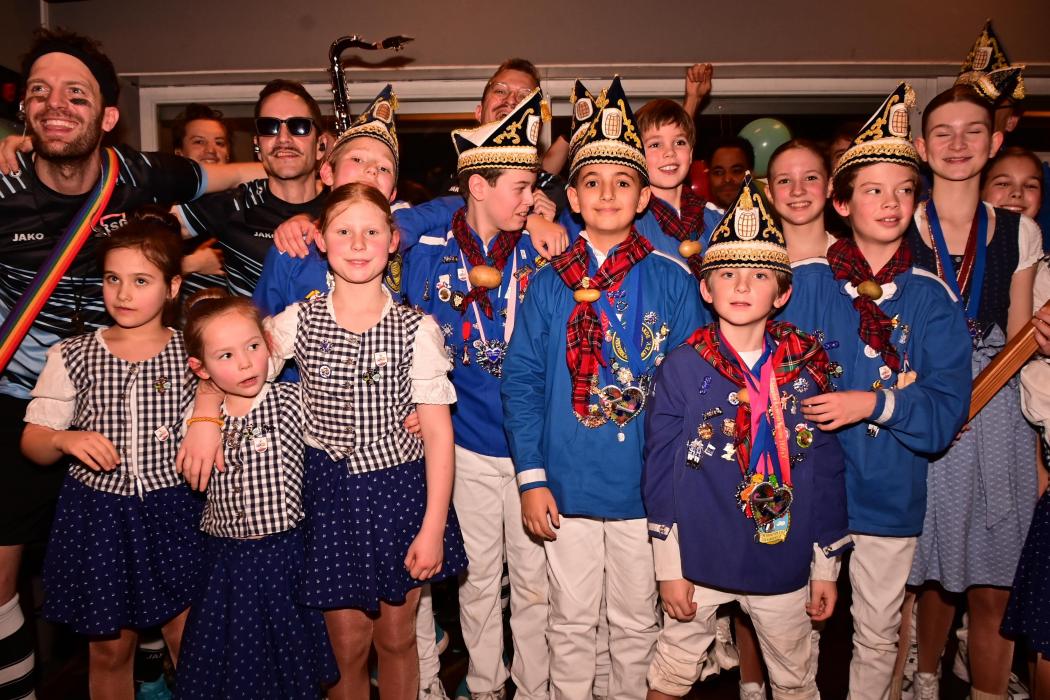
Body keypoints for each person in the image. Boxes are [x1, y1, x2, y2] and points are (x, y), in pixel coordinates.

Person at [0, 29, 259, 698]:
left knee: (175, 618)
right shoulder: (1, 185)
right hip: (21, 401)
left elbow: (232, 174)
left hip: (149, 466)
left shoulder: (137, 175)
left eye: (76, 95)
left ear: (108, 115)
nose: (56, 106)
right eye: (39, 93)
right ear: (23, 110)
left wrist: (323, 165)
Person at [501, 76, 706, 699]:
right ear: (572, 195)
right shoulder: (547, 282)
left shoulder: (673, 280)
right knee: (568, 623)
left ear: (644, 196)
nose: (608, 194)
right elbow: (523, 381)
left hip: (646, 487)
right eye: (592, 182)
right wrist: (531, 478)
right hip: (567, 484)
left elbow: (695, 391)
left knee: (637, 622)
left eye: (622, 182)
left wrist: (682, 488)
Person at [782, 83, 972, 700]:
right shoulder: (803, 285)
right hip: (810, 491)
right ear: (840, 202)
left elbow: (944, 412)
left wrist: (874, 402)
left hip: (890, 493)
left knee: (877, 635)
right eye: (872, 190)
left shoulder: (931, 298)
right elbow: (766, 379)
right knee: (793, 632)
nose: (890, 203)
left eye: (903, 190)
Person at [244, 183, 466, 700]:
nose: (359, 243)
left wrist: (433, 528)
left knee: (397, 639)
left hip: (398, 496)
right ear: (321, 241)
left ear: (393, 240)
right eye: (344, 231)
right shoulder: (297, 320)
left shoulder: (416, 330)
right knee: (345, 646)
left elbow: (438, 434)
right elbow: (236, 368)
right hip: (327, 498)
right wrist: (207, 416)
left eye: (371, 231)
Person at [643, 174, 849, 699]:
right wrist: (668, 567)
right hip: (698, 558)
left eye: (758, 275)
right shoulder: (681, 367)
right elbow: (659, 471)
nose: (740, 286)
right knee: (671, 672)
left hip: (783, 559)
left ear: (783, 292)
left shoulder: (805, 368)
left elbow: (826, 469)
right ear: (705, 288)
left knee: (796, 679)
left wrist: (826, 566)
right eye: (727, 274)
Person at [401, 90, 550, 700]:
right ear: (479, 187)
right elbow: (404, 334)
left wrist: (547, 219)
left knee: (537, 585)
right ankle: (486, 686)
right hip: (463, 447)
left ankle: (535, 688)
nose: (532, 198)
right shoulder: (426, 252)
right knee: (479, 579)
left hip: (535, 448)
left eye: (534, 186)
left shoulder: (545, 249)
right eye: (521, 186)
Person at [19, 212, 205, 697]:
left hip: (177, 511)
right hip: (100, 517)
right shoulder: (73, 354)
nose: (123, 294)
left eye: (141, 281)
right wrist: (63, 440)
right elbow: (34, 440)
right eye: (112, 279)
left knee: (190, 641)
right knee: (109, 651)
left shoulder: (193, 351)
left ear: (172, 287)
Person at [905, 84, 1040, 700]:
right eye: (943, 132)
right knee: (922, 576)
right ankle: (922, 677)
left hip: (994, 410)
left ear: (995, 141)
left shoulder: (1018, 230)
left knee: (995, 578)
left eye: (973, 132)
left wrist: (972, 402)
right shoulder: (897, 221)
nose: (958, 145)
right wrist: (933, 404)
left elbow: (1018, 336)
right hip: (919, 404)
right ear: (921, 146)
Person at [174, 289, 338, 699]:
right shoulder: (197, 420)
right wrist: (203, 418)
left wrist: (411, 414)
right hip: (227, 564)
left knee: (290, 667)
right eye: (226, 355)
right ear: (200, 367)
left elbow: (347, 413)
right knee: (236, 667)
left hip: (286, 556)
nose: (246, 363)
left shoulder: (293, 400)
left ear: (268, 343)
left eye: (252, 347)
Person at [177, 79, 328, 297]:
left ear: (321, 145)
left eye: (298, 126)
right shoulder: (234, 205)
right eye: (269, 127)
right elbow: (146, 238)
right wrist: (189, 263)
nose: (283, 138)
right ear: (257, 146)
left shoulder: (344, 205)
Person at [707, 136, 755, 214]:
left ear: (751, 174)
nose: (727, 179)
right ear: (709, 176)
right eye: (718, 172)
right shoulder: (695, 220)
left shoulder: (768, 219)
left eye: (736, 171)